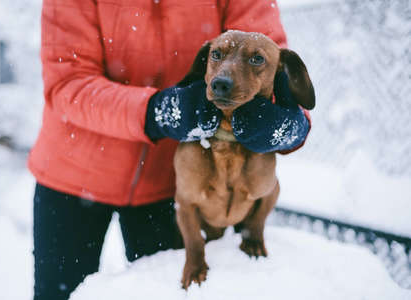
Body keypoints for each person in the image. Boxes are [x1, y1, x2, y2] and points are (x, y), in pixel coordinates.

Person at [29, 1, 311, 299]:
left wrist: (290, 122)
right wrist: (155, 112)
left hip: (174, 183)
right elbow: (68, 83)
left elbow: (267, 52)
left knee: (169, 292)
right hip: (74, 178)